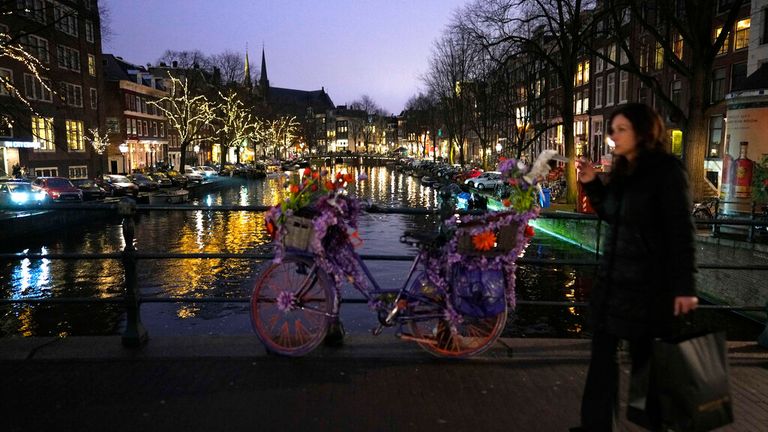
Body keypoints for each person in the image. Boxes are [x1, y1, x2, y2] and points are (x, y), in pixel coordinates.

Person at [572, 103, 698, 431]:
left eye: (621, 129)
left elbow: (681, 231)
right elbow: (612, 214)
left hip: (648, 290)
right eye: (612, 130)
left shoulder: (667, 171)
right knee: (601, 363)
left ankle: (655, 424)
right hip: (613, 286)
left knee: (648, 369)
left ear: (643, 132)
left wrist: (684, 286)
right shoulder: (622, 170)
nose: (613, 136)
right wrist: (592, 183)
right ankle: (596, 427)